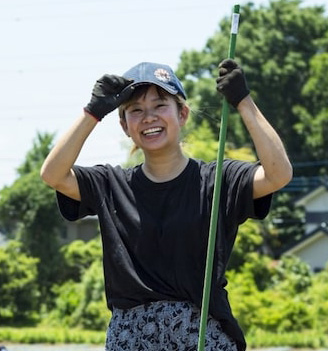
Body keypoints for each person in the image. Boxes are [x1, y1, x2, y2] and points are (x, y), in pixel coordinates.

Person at [40, 60, 292, 351]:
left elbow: (278, 174)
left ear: (182, 113)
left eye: (160, 105)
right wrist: (93, 112)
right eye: (136, 110)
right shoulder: (110, 183)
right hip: (131, 338)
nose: (148, 117)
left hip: (201, 334)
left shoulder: (218, 179)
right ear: (124, 125)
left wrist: (243, 101)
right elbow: (52, 174)